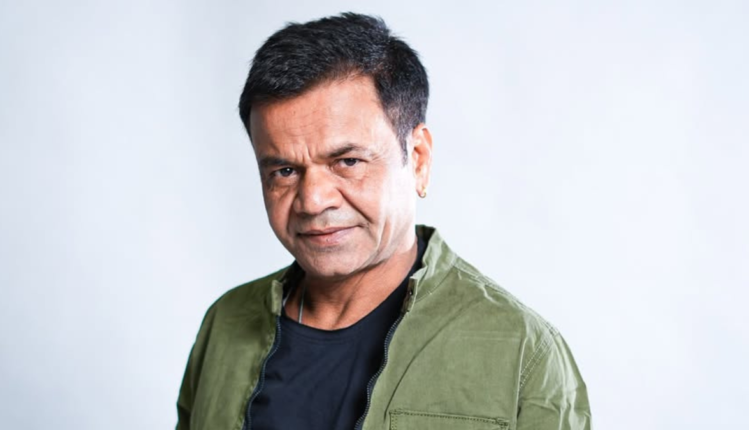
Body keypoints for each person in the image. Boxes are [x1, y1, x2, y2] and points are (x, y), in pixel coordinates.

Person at [176, 12, 591, 430]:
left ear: (419, 160)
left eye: (348, 161)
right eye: (284, 171)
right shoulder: (225, 324)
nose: (313, 201)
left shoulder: (521, 350)